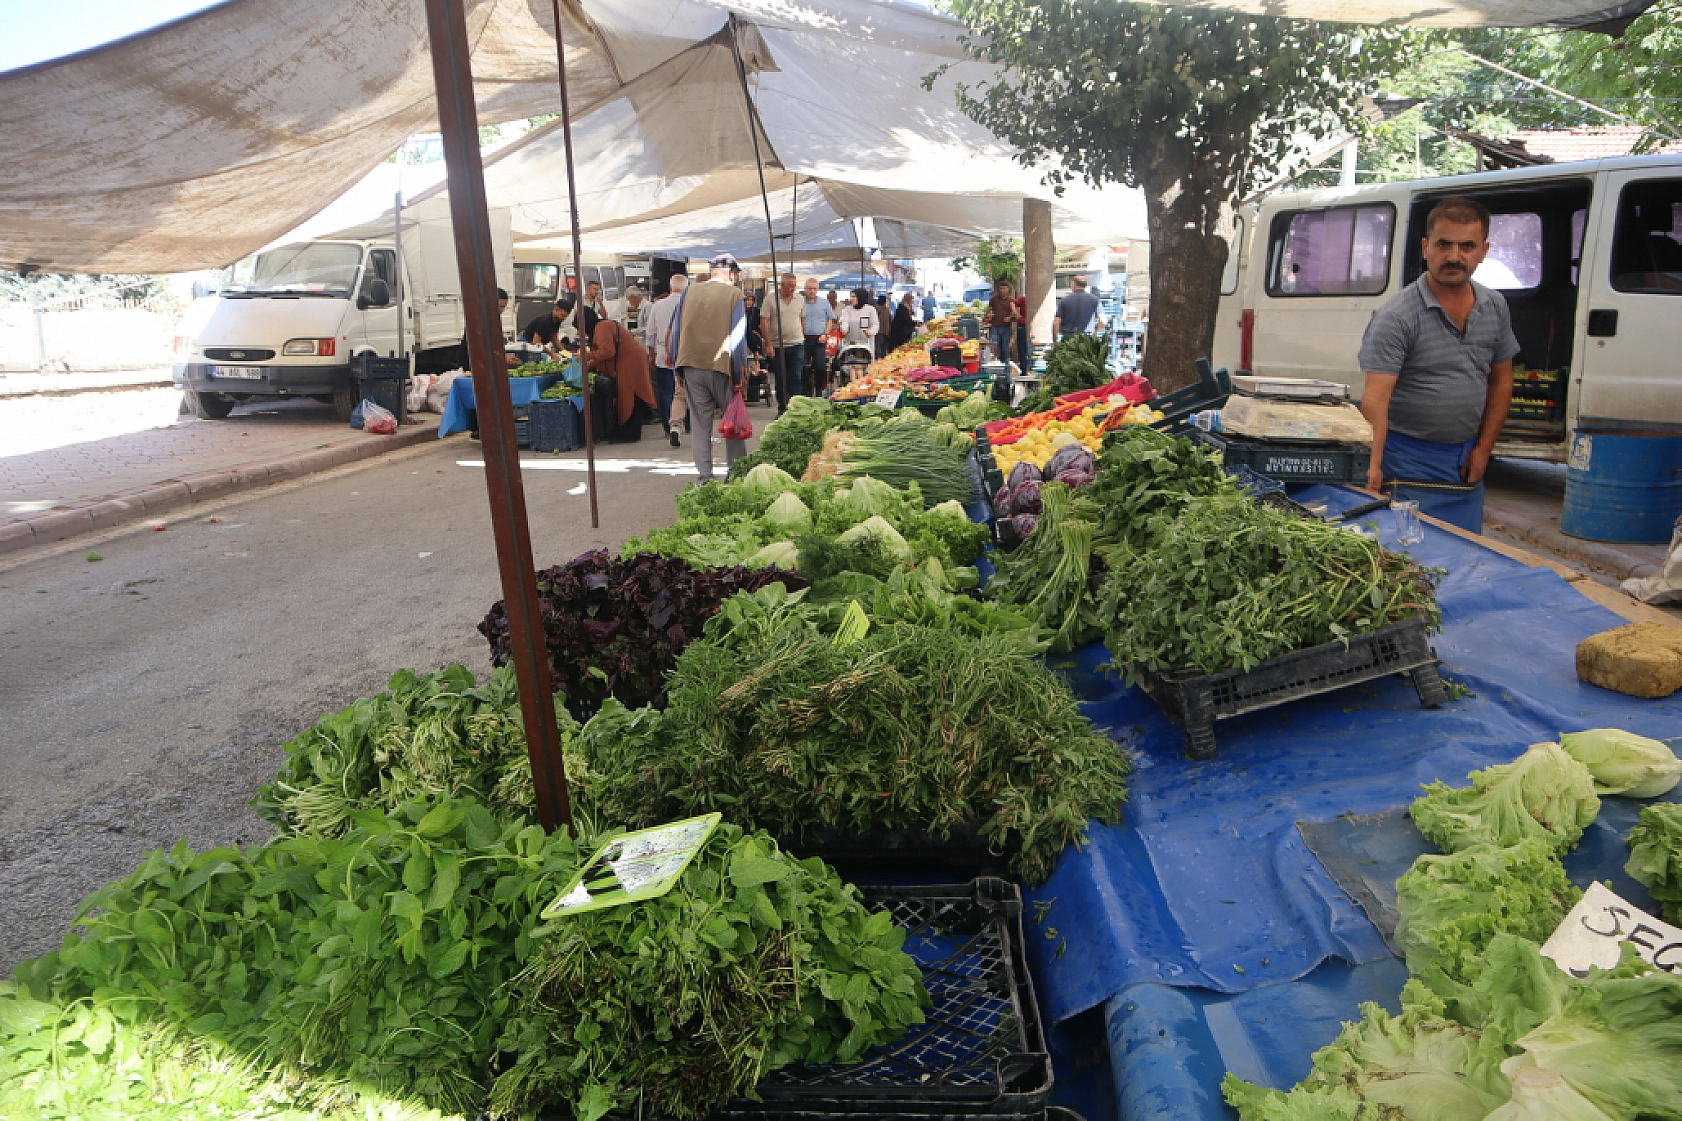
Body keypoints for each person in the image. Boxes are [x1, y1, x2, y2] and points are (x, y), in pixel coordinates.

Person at [1358, 196, 1519, 533]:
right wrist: (1372, 466)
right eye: (1444, 244)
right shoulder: (1397, 316)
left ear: (1484, 250)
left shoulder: (1494, 306)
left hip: (1463, 461)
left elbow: (1501, 382)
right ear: (1425, 247)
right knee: (1409, 565)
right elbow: (1376, 399)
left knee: (1465, 560)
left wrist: (1483, 450)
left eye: (1467, 246)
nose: (1454, 256)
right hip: (1405, 460)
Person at [666, 254, 750, 481]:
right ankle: (735, 475)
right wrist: (739, 372)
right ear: (731, 274)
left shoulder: (689, 291)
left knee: (700, 425)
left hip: (691, 364)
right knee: (732, 423)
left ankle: (705, 479)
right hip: (722, 367)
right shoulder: (735, 295)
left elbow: (677, 332)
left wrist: (677, 368)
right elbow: (738, 338)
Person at [584, 313, 658, 443]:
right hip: (627, 360)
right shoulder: (601, 327)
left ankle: (630, 434)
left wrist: (587, 355)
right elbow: (601, 355)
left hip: (630, 361)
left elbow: (607, 351)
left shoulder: (602, 327)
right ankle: (622, 430)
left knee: (629, 394)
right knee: (623, 396)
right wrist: (587, 367)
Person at [646, 273, 687, 447]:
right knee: (685, 391)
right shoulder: (688, 304)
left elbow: (651, 332)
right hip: (685, 353)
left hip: (663, 352)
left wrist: (651, 353)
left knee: (665, 392)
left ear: (670, 288)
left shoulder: (658, 306)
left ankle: (667, 425)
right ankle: (688, 424)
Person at [767, 273, 807, 414]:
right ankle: (782, 408)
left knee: (795, 376)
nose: (793, 288)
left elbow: (802, 319)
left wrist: (801, 334)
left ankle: (795, 409)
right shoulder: (770, 299)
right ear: (782, 285)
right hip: (778, 345)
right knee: (780, 378)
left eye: (795, 285)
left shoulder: (800, 299)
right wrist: (768, 344)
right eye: (790, 285)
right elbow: (763, 322)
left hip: (797, 344)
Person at [801, 276, 834, 396]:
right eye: (809, 288)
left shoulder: (824, 303)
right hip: (803, 340)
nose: (812, 291)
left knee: (820, 367)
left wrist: (825, 333)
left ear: (818, 289)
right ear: (805, 289)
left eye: (814, 288)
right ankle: (806, 391)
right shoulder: (800, 302)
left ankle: (819, 388)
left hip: (819, 340)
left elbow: (830, 319)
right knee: (803, 367)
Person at [987, 280, 1019, 369]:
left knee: (1005, 349)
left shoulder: (1011, 300)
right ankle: (995, 367)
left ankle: (1005, 368)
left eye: (1004, 288)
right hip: (995, 326)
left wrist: (1009, 317)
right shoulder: (993, 299)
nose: (1002, 290)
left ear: (1008, 289)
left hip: (1006, 328)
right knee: (995, 348)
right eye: (1001, 288)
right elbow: (988, 311)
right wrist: (988, 316)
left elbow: (1015, 314)